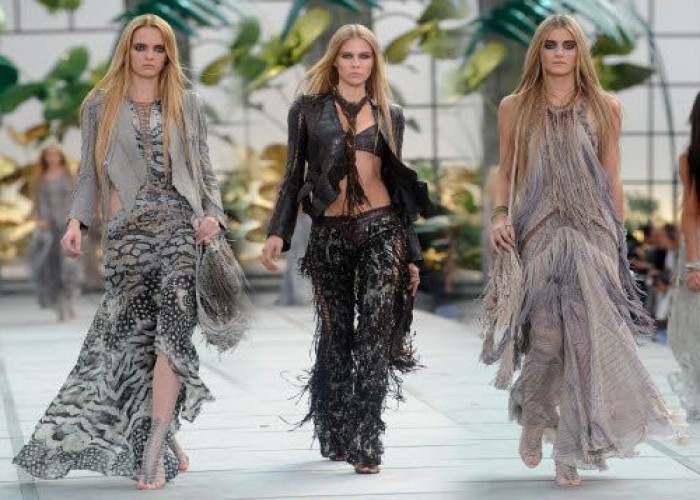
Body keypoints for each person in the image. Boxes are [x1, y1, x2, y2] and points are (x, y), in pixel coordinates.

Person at [13, 14, 247, 490]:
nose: (149, 56)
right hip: (127, 240)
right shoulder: (99, 104)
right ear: (127, 50)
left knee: (172, 339)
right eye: (141, 47)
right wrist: (76, 223)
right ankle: (159, 434)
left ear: (169, 55)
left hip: (180, 232)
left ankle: (153, 452)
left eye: (158, 49)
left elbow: (204, 169)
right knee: (132, 349)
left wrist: (214, 216)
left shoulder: (188, 103)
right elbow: (88, 173)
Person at [482, 14, 677, 487]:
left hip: (592, 232)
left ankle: (568, 451)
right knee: (546, 338)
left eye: (568, 45)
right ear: (539, 51)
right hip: (539, 231)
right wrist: (500, 215)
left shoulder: (605, 107)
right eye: (550, 45)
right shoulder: (515, 106)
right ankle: (534, 417)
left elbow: (612, 176)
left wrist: (618, 240)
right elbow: (505, 171)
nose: (559, 53)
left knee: (586, 344)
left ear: (579, 52)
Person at [261, 24, 429, 474]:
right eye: (348, 55)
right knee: (336, 335)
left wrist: (412, 254)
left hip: (383, 228)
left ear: (374, 63)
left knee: (375, 332)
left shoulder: (391, 113)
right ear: (334, 59)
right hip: (330, 233)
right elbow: (292, 175)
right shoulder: (306, 110)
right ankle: (334, 425)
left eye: (364, 56)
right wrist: (278, 231)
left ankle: (366, 437)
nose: (356, 64)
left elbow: (398, 186)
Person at [669, 90, 700, 419]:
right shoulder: (690, 158)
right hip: (697, 246)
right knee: (692, 328)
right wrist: (694, 264)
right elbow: (690, 214)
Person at [28, 143, 81, 321]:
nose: (52, 158)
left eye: (55, 154)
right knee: (50, 267)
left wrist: (76, 221)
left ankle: (69, 300)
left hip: (67, 227)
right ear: (44, 158)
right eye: (49, 155)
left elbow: (77, 199)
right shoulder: (40, 179)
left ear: (61, 156)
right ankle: (58, 304)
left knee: (69, 266)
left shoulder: (69, 176)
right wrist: (39, 220)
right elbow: (36, 204)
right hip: (48, 228)